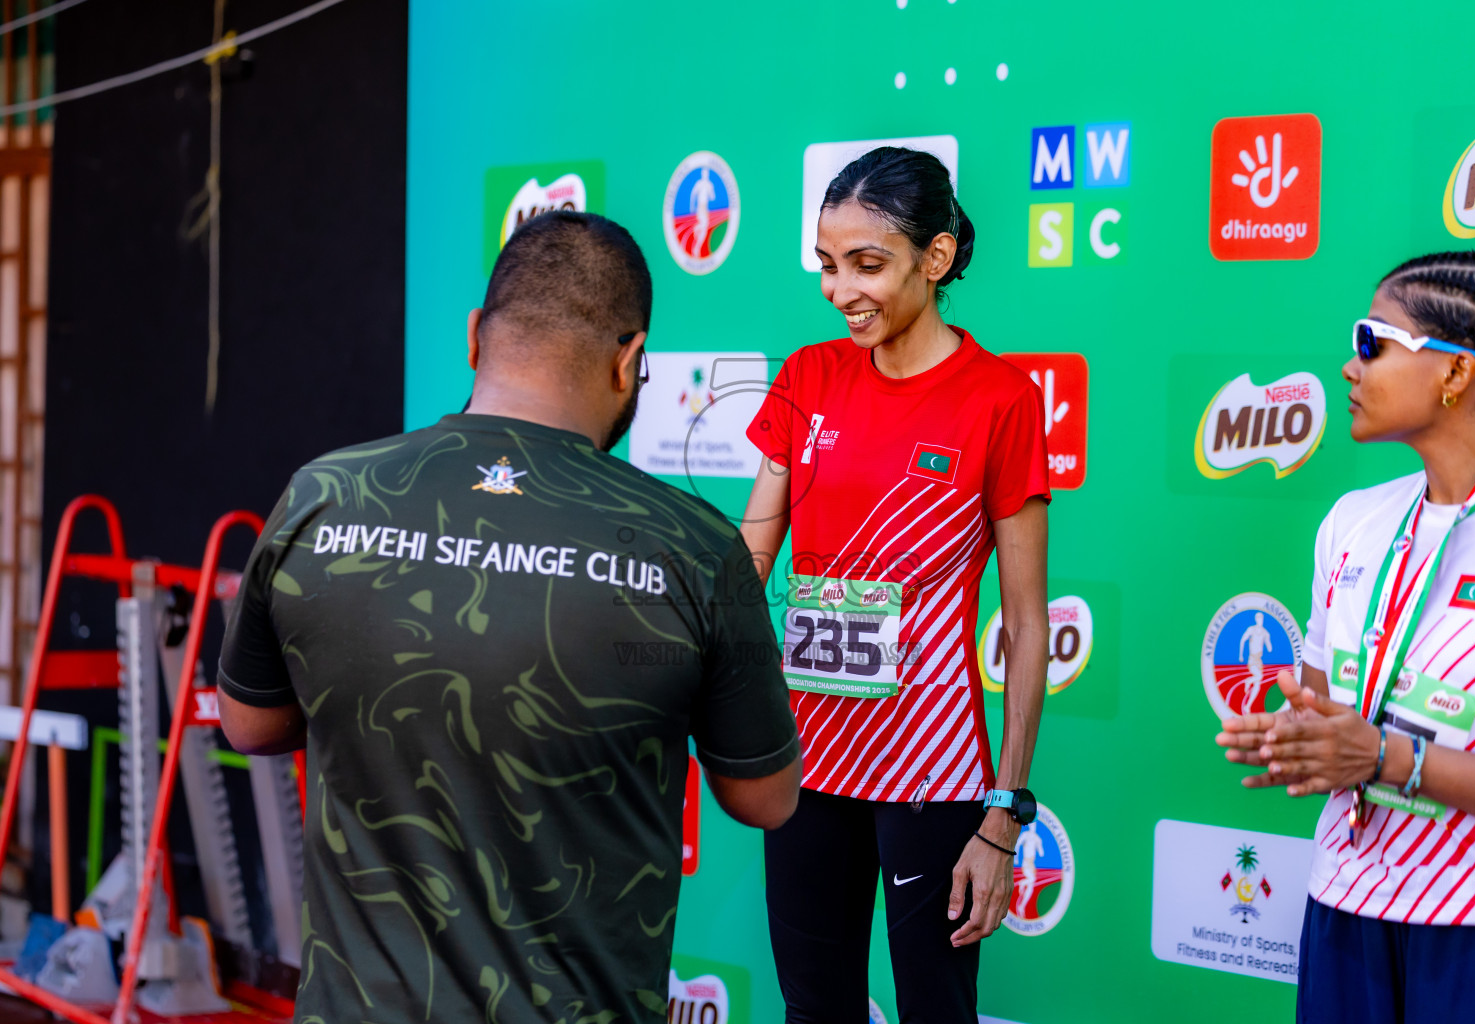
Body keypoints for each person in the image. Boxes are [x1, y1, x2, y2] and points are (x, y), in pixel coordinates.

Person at [216, 211, 802, 1023]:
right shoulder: (695, 546)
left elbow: (247, 725)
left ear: (473, 338)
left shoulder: (323, 495)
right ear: (631, 363)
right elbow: (765, 798)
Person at [740, 147, 1051, 1022]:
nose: (842, 290)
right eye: (828, 266)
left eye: (867, 264)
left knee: (936, 1013)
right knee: (815, 1011)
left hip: (935, 770)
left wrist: (1005, 815)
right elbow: (749, 560)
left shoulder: (1001, 398)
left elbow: (1027, 626)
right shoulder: (807, 376)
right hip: (805, 762)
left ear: (937, 257)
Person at [1216, 251, 1475, 1022]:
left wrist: (1393, 758)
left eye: (1372, 343)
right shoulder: (1354, 520)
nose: (1349, 367)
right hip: (1344, 911)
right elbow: (1327, 712)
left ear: (1457, 374)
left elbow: (1377, 750)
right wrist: (1299, 739)